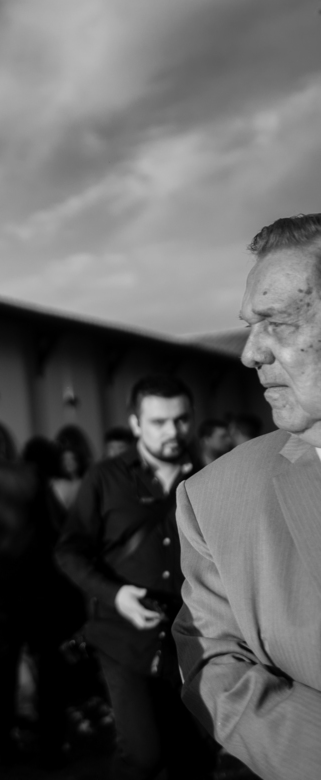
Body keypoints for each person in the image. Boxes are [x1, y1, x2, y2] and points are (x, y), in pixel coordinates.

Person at [173, 213, 321, 779]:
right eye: (247, 326)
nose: (249, 353)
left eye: (277, 322)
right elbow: (217, 663)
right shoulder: (213, 500)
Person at [56, 376, 214, 780]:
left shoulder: (212, 475)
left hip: (194, 635)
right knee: (142, 755)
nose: (172, 431)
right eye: (159, 422)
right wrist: (115, 594)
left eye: (181, 420)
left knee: (194, 756)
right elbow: (69, 551)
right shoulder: (105, 477)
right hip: (123, 634)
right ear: (136, 424)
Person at [0, 428, 81, 765]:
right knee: (48, 668)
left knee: (0, 672)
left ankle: (2, 744)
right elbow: (56, 528)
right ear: (1, 446)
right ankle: (52, 743)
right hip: (38, 586)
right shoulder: (29, 474)